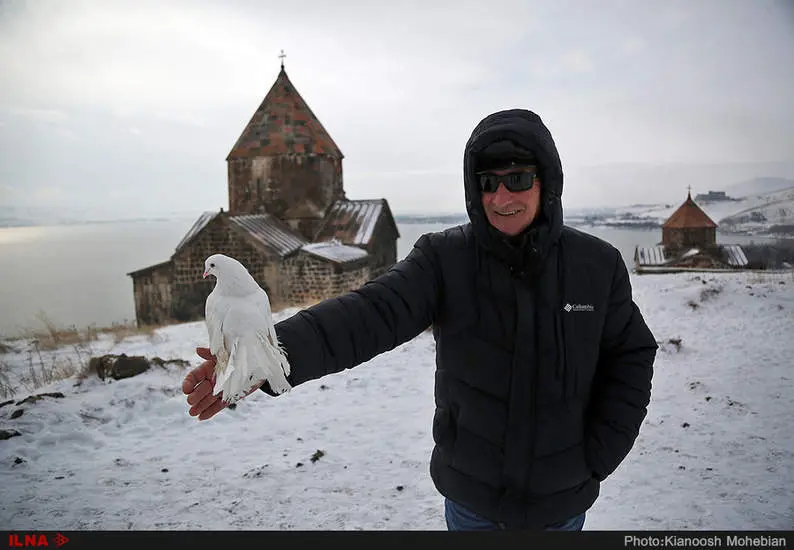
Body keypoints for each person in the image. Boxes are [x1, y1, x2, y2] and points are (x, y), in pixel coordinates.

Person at [183, 108, 657, 531]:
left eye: (518, 178)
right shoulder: (445, 258)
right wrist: (263, 355)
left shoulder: (595, 266)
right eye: (488, 182)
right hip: (472, 500)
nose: (501, 196)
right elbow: (368, 315)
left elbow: (631, 354)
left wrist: (597, 455)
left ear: (547, 181)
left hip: (562, 503)